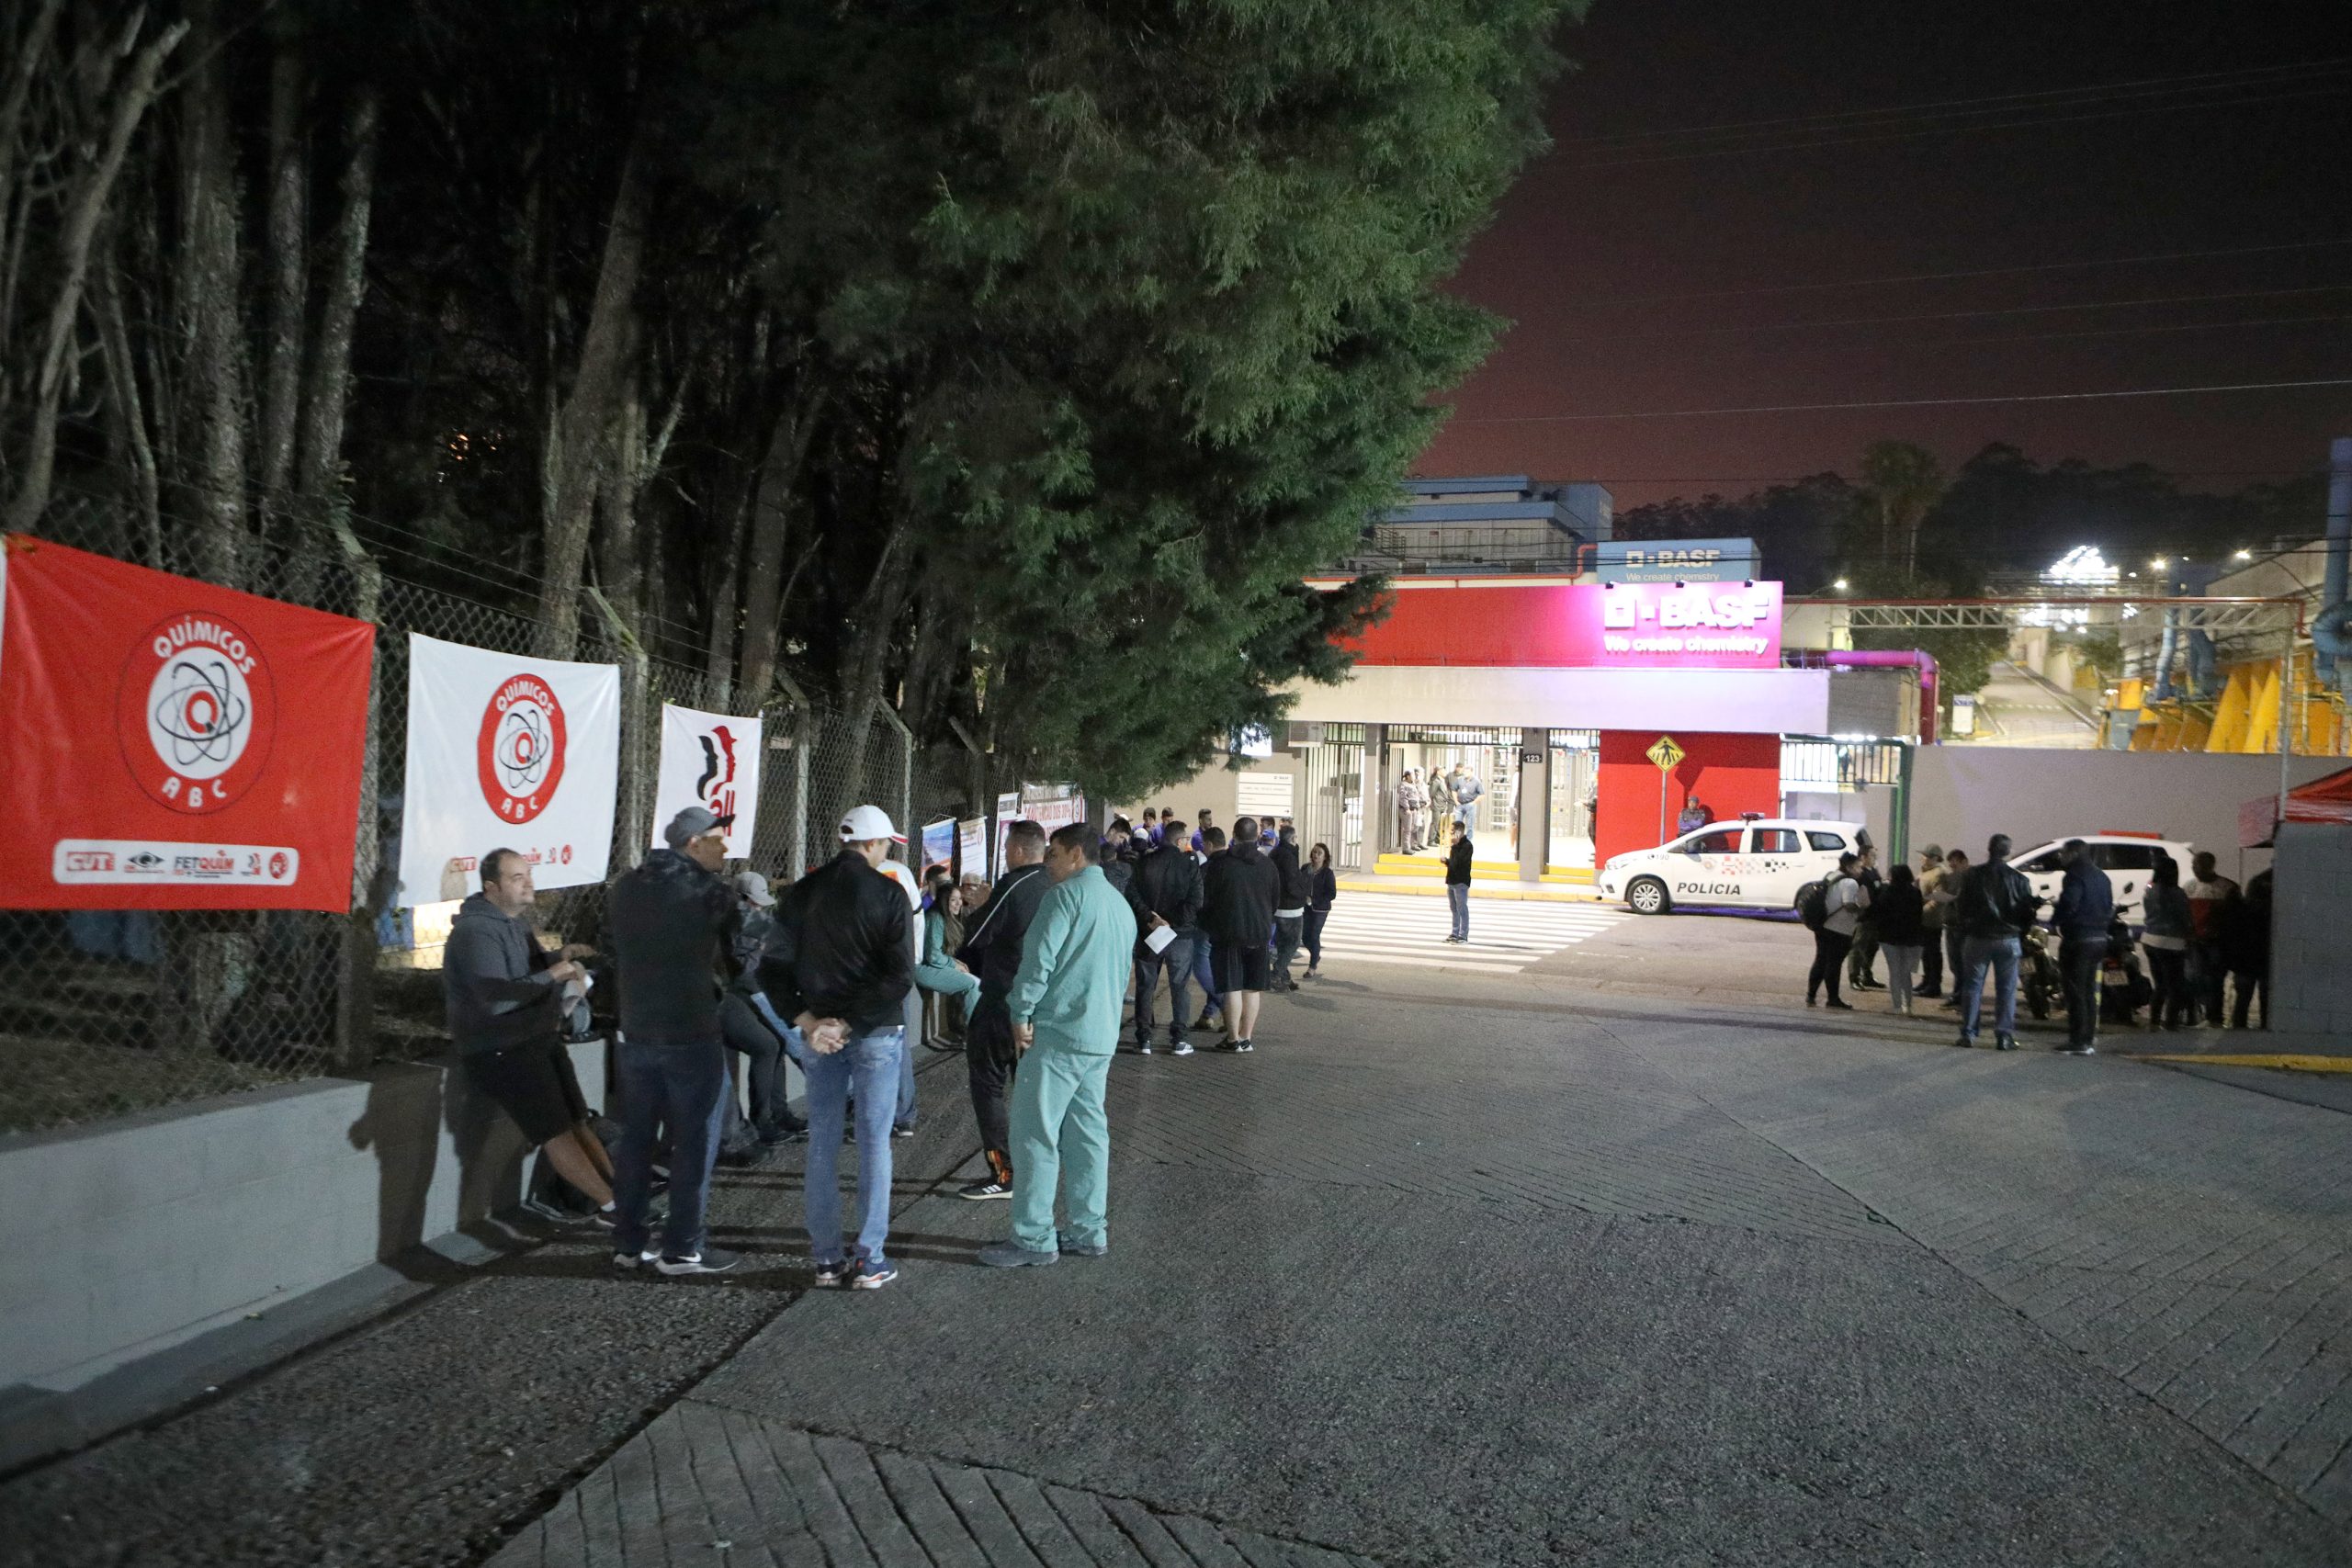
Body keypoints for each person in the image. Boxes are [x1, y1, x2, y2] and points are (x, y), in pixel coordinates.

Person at [762, 804, 916, 1290]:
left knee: (822, 1145)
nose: (887, 849)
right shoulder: (888, 893)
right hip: (872, 1033)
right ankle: (870, 1260)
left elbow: (770, 968)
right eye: (886, 842)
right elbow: (899, 977)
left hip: (817, 1035)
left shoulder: (800, 894)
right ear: (872, 844)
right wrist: (850, 1023)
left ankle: (826, 1259)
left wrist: (810, 1022)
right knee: (874, 1145)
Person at [978, 824, 1140, 1268]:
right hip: (1099, 1036)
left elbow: (1037, 963)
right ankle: (1090, 1230)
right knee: (1089, 1135)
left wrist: (1021, 1013)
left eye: (1053, 853)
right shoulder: (1119, 905)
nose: (1047, 861)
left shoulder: (1063, 898)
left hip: (1058, 1034)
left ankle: (1033, 1237)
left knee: (1035, 1134)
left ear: (1075, 854)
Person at [444, 848, 615, 1222]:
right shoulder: (476, 932)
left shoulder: (514, 925)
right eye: (517, 877)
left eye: (528, 874)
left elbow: (527, 973)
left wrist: (559, 959)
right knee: (556, 1132)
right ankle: (613, 1208)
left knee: (578, 1121)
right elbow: (497, 1001)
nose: (529, 883)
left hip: (536, 1036)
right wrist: (554, 975)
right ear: (491, 886)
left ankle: (619, 1199)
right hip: (502, 1048)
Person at [607, 807, 741, 1276]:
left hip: (637, 1032)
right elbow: (749, 956)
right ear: (692, 844)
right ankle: (683, 1247)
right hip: (690, 1031)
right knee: (694, 1142)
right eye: (718, 839)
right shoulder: (709, 893)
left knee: (636, 1140)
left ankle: (628, 1242)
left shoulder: (625, 888)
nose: (726, 848)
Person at [954, 818, 1052, 1199]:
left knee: (988, 1084)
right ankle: (1036, 1168)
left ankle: (1004, 1172)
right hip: (1041, 1002)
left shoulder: (1014, 886)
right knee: (1031, 1089)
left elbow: (976, 937)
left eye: (1008, 848)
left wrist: (976, 908)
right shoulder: (1055, 884)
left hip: (1003, 1000)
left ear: (1016, 851)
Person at [716, 871, 805, 1155]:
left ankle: (777, 1113)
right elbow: (743, 969)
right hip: (734, 991)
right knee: (771, 1044)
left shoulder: (747, 919)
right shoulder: (733, 919)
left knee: (776, 1042)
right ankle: (763, 1120)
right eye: (754, 903)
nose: (759, 908)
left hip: (744, 989)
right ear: (740, 898)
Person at [1951, 833, 2037, 1051]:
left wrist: (1967, 928)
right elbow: (2027, 913)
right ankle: (2004, 1036)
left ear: (1989, 849)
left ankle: (1969, 1033)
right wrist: (2020, 931)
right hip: (2008, 939)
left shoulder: (1972, 875)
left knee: (1972, 986)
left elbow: (1961, 907)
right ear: (2007, 851)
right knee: (2007, 989)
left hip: (1978, 938)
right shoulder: (2020, 880)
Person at [1201, 815, 1277, 1051]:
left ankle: (1232, 1038)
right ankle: (1246, 1037)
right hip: (1259, 933)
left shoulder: (1221, 865)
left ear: (1234, 835)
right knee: (1252, 988)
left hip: (1228, 933)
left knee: (1231, 986)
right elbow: (1275, 900)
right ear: (1256, 836)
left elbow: (1208, 899)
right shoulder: (1267, 865)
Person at [1128, 815, 1204, 1054]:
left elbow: (1133, 895)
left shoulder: (1145, 862)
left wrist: (1151, 918)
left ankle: (1143, 1038)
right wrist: (1174, 921)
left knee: (1146, 985)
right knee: (1180, 986)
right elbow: (1196, 900)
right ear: (1180, 840)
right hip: (1179, 935)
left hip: (1150, 933)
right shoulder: (1189, 864)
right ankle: (1179, 1038)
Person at [2052, 838, 2114, 1055]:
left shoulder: (2074, 876)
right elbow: (2109, 907)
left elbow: (2070, 903)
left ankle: (2078, 1041)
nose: (2061, 857)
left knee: (2075, 992)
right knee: (2088, 992)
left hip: (2078, 940)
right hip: (2099, 939)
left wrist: (2057, 919)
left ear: (2074, 854)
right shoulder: (2102, 876)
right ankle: (2088, 1039)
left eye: (2063, 853)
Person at [913, 867, 980, 1045]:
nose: (958, 903)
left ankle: (968, 1029)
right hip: (923, 968)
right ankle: (971, 1036)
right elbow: (933, 956)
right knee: (971, 984)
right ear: (945, 901)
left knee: (976, 981)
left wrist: (955, 962)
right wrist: (953, 964)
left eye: (959, 899)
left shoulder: (949, 919)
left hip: (934, 964)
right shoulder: (936, 918)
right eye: (953, 900)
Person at [2184, 852, 2239, 1028]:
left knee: (2215, 980)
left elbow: (2235, 918)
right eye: (2194, 865)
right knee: (2198, 979)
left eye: (2198, 865)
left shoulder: (2227, 888)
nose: (2195, 869)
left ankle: (2214, 1017)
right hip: (2196, 942)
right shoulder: (2189, 887)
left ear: (2210, 866)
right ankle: (2203, 1014)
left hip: (2218, 942)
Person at [2140, 854, 2193, 1032]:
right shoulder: (2176, 893)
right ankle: (2170, 1022)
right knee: (2175, 987)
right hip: (2171, 943)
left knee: (2160, 985)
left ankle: (2154, 1021)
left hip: (2149, 939)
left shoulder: (2151, 890)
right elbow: (2184, 918)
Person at [1806, 852, 1865, 1010]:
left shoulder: (1831, 876)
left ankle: (1811, 995)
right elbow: (1848, 904)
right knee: (1834, 964)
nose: (1861, 870)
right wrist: (1862, 906)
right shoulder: (1850, 883)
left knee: (1820, 960)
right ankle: (1833, 999)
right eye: (1858, 866)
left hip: (1823, 925)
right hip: (1839, 929)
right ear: (1849, 867)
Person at [1189, 826, 1227, 1034]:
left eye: (1205, 845)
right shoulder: (1234, 864)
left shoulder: (1208, 868)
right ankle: (1208, 1013)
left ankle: (1225, 1005)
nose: (1203, 848)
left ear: (1211, 845)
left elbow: (1200, 898)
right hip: (1228, 927)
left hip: (1207, 926)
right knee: (1217, 969)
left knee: (1201, 964)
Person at [1874, 863, 1926, 1015]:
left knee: (1894, 971)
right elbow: (1918, 914)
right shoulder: (1915, 892)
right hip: (1910, 937)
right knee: (1905, 972)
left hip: (1889, 937)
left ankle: (1896, 1005)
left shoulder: (1887, 892)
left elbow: (1879, 912)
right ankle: (1907, 1005)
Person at [2225, 869, 2272, 1030]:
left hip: (2245, 961)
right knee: (2266, 996)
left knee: (2243, 998)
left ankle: (2239, 1027)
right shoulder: (2270, 915)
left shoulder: (2241, 911)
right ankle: (2266, 1025)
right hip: (2265, 958)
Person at [1270, 823, 1310, 991]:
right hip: (1291, 908)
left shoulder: (1274, 853)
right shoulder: (1288, 857)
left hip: (1278, 906)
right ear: (1293, 838)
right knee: (1293, 943)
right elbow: (1293, 882)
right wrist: (1304, 896)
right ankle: (1276, 974)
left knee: (1282, 944)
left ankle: (1285, 979)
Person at [1933, 849, 1969, 1010]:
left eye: (1955, 862)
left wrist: (1954, 899)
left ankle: (1961, 996)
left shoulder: (1969, 877)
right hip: (1951, 924)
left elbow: (1964, 899)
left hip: (1962, 925)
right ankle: (1958, 994)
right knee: (1955, 963)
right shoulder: (1950, 877)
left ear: (1964, 861)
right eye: (1950, 862)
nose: (1952, 865)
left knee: (1962, 963)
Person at [1846, 844, 1885, 991]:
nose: (1875, 858)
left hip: (1875, 916)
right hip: (1863, 917)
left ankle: (1867, 975)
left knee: (1872, 947)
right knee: (1858, 947)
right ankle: (1854, 977)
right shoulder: (1860, 874)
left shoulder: (1873, 871)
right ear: (1863, 857)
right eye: (1872, 856)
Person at [1914, 846, 1947, 998]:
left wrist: (1921, 912)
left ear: (1935, 858)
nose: (1923, 859)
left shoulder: (1939, 873)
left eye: (1926, 856)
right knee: (1925, 953)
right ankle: (1927, 980)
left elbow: (1938, 898)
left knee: (1932, 953)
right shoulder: (1925, 871)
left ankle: (1934, 985)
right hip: (1923, 919)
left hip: (1932, 919)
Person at [1303, 843, 1337, 979]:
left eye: (1319, 853)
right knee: (1304, 937)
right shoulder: (1305, 868)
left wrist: (1314, 899)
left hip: (1320, 909)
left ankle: (1312, 967)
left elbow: (1332, 893)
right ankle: (1316, 955)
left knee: (1314, 935)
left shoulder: (1327, 873)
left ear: (1325, 857)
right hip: (1305, 907)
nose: (1316, 855)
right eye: (1314, 852)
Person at [1443, 818, 1474, 943]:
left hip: (1461, 882)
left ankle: (1463, 934)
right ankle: (1454, 933)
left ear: (1459, 832)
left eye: (1453, 831)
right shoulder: (1455, 846)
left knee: (1462, 908)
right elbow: (1453, 864)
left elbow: (1460, 863)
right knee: (1454, 908)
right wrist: (1446, 861)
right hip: (1451, 881)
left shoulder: (1467, 846)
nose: (1451, 834)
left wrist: (1455, 847)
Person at [1396, 770, 1427, 853]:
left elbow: (1417, 795)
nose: (1414, 777)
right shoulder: (1403, 785)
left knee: (1413, 828)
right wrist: (1406, 808)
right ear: (1408, 776)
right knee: (1407, 829)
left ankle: (1411, 845)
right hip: (1407, 810)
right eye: (1413, 775)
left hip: (1414, 809)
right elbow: (1403, 797)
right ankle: (1406, 848)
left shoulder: (1413, 784)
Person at [1450, 765, 1484, 832]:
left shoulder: (1477, 781)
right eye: (1465, 772)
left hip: (1470, 805)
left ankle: (1468, 841)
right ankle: (1458, 840)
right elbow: (1453, 790)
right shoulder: (1459, 780)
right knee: (1458, 825)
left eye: (1468, 772)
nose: (1466, 773)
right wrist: (1456, 801)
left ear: (1472, 772)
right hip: (1460, 805)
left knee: (1470, 826)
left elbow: (1482, 795)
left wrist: (1473, 803)